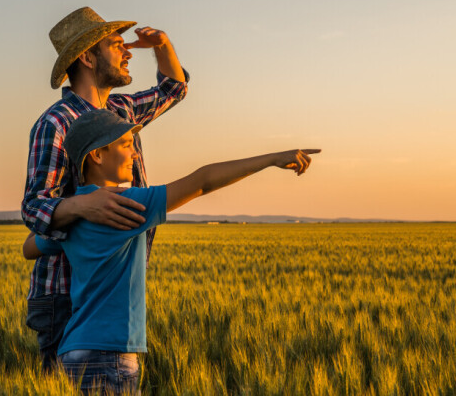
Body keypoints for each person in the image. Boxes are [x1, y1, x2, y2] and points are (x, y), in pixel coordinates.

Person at [23, 109, 319, 395]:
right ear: (97, 155)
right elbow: (203, 181)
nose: (135, 154)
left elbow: (29, 248)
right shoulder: (126, 204)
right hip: (110, 356)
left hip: (71, 353)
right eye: (127, 145)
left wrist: (70, 216)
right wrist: (272, 159)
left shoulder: (73, 212)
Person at [22, 7, 190, 371]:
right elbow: (34, 207)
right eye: (117, 45)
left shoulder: (121, 110)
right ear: (87, 56)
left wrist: (162, 44)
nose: (129, 52)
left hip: (106, 292)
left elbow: (174, 88)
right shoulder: (56, 122)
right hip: (64, 293)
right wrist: (84, 206)